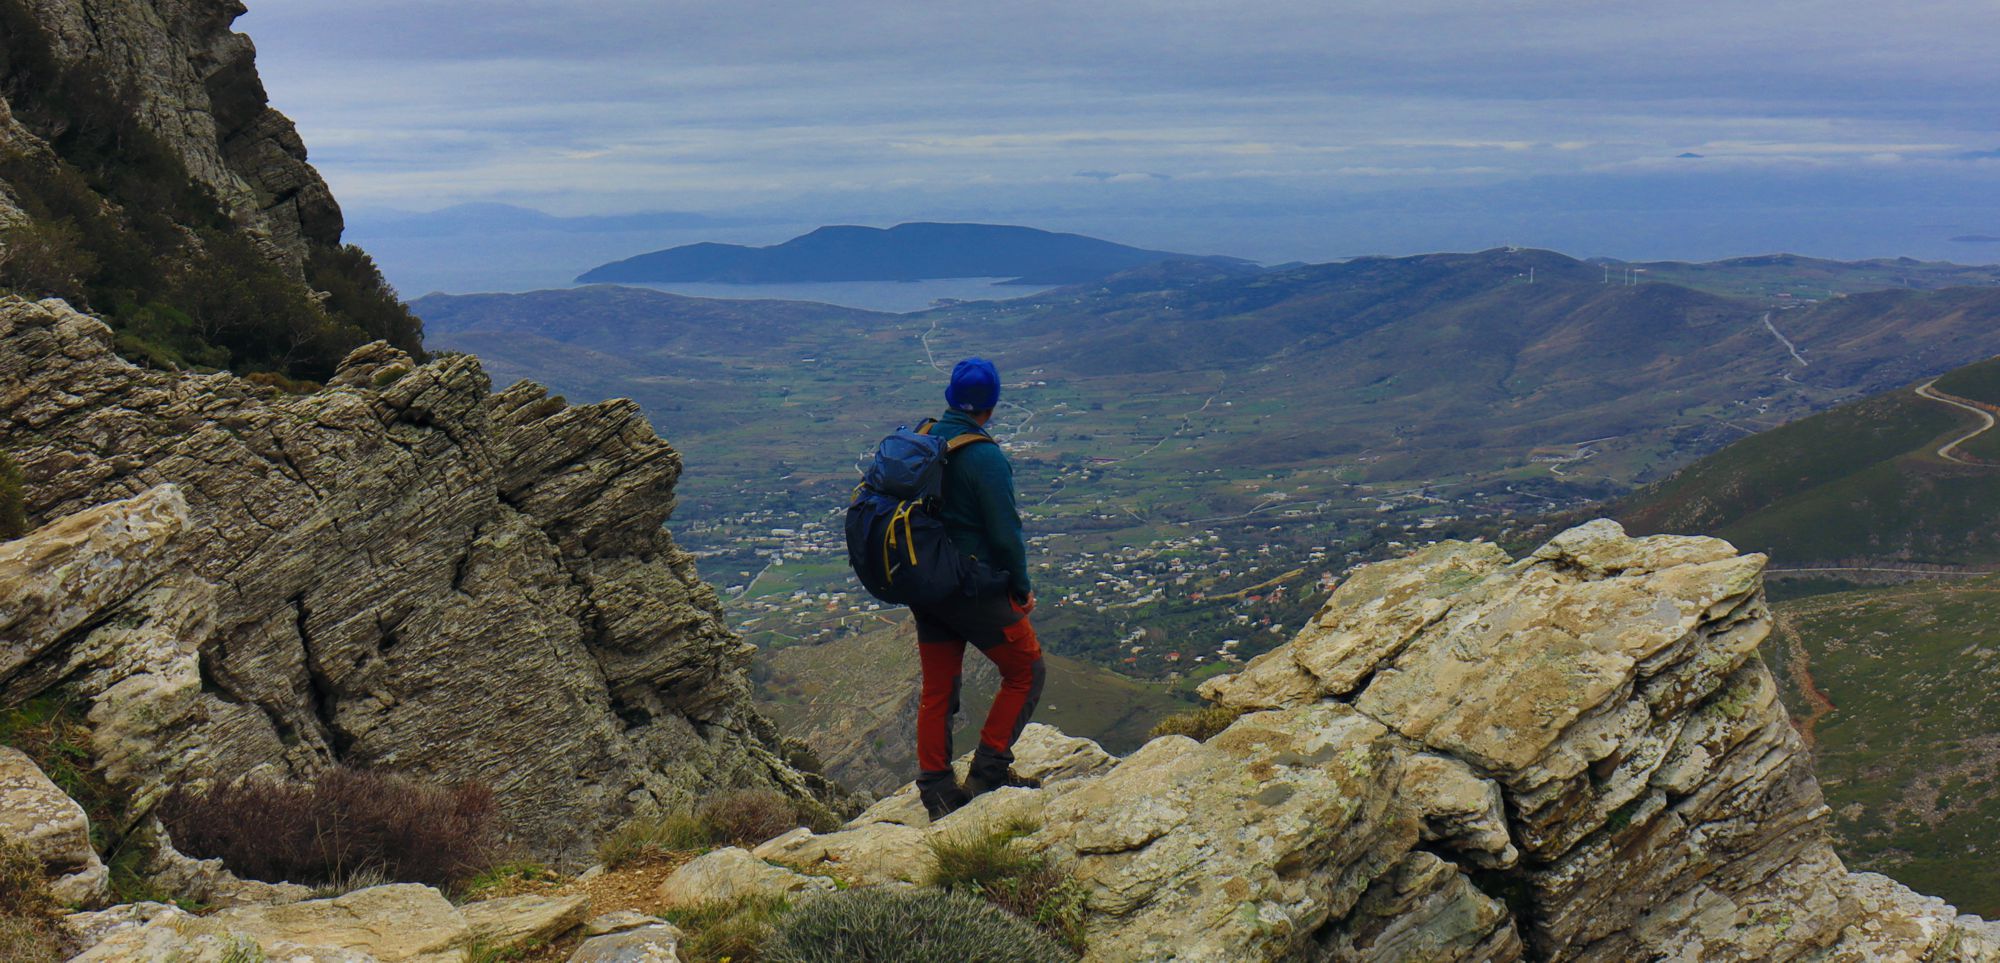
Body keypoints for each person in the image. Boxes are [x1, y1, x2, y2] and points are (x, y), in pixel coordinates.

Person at [912, 357, 1047, 819]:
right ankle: (989, 772)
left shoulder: (923, 438)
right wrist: (1021, 588)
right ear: (991, 406)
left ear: (951, 398)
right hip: (973, 589)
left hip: (927, 586)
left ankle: (937, 791)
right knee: (1026, 671)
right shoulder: (984, 456)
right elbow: (1005, 534)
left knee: (938, 689)